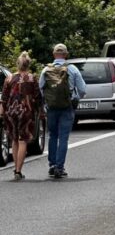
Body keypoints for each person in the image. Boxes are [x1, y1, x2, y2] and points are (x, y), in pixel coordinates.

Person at [39, 43, 86, 178]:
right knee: (63, 137)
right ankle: (60, 167)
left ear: (54, 54)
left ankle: (52, 165)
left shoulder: (45, 70)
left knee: (53, 135)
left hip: (52, 107)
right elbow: (82, 89)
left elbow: (40, 88)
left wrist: (47, 102)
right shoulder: (72, 69)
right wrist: (76, 98)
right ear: (66, 55)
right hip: (67, 106)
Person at [0, 52, 43, 180]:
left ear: (17, 64)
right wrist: (40, 111)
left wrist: (2, 113)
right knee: (22, 140)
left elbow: (4, 98)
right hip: (26, 112)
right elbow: (38, 97)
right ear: (28, 64)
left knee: (14, 139)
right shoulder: (32, 78)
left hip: (11, 112)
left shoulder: (9, 78)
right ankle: (18, 171)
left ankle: (15, 170)